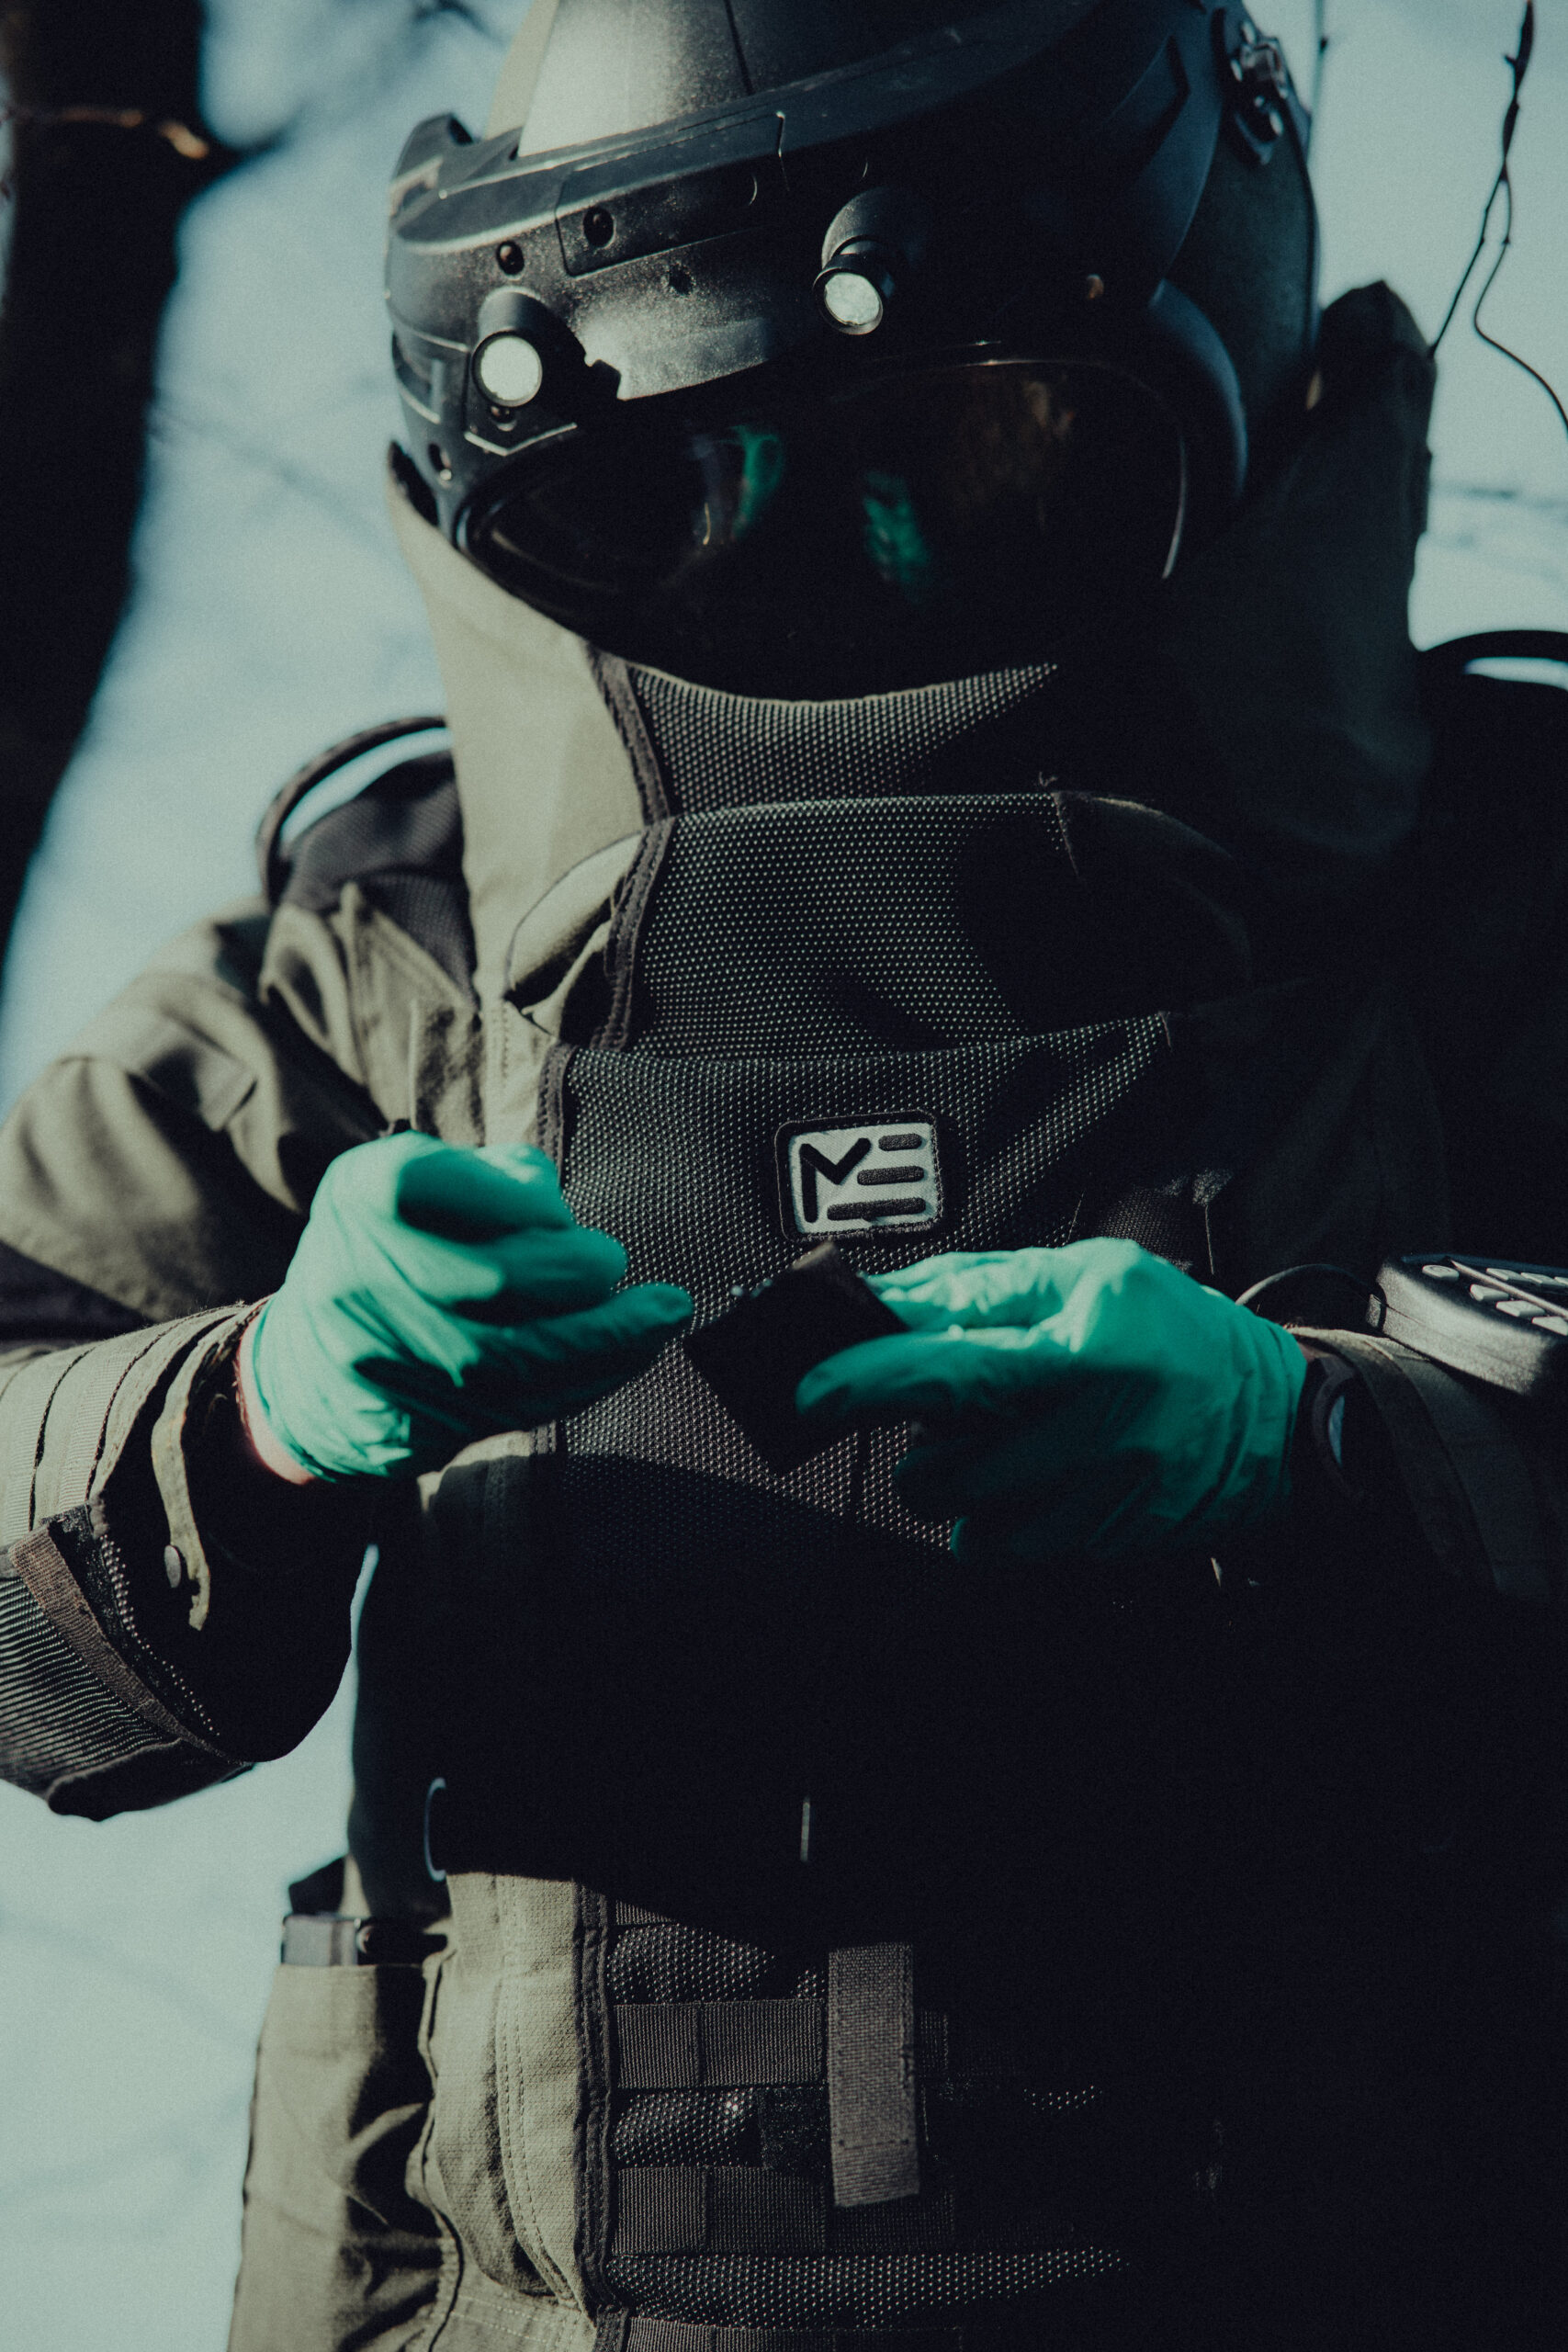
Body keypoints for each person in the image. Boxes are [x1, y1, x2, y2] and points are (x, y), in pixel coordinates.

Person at [2, 3, 1566, 2345]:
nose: (854, 546)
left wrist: (1343, 1441)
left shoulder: (1503, 893)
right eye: (688, 482)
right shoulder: (377, 962)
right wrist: (246, 1411)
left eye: (971, 439)